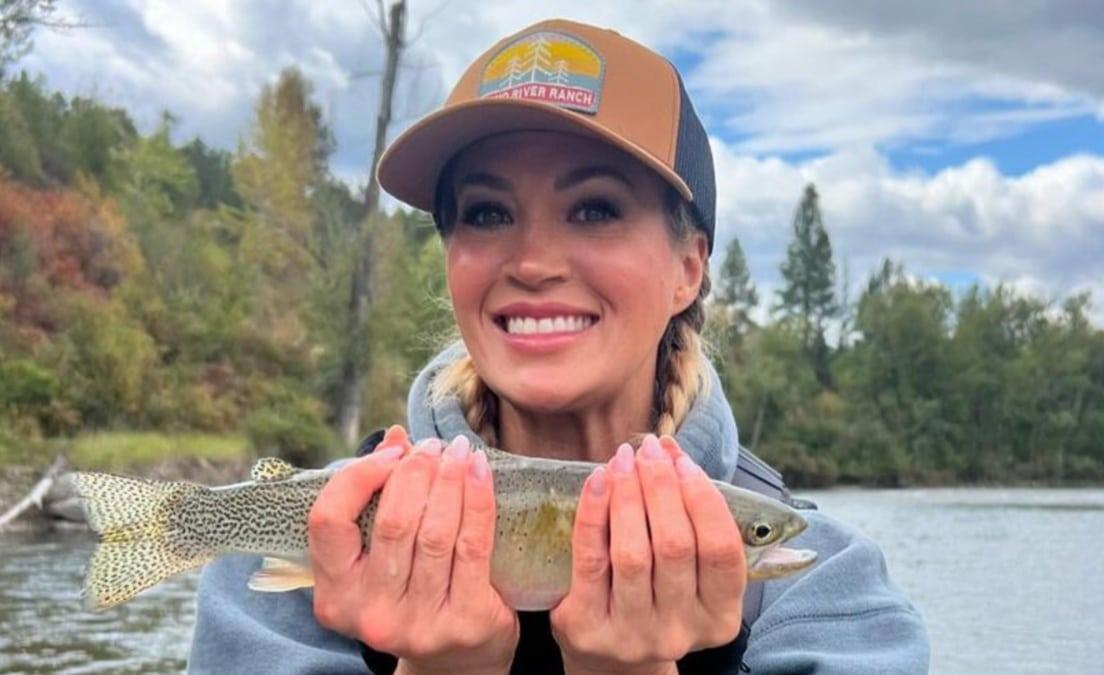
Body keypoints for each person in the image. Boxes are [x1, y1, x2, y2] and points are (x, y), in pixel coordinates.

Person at [189, 18, 929, 675]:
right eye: (486, 212)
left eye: (594, 208)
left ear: (688, 267)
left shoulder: (829, 592)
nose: (534, 260)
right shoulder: (299, 534)